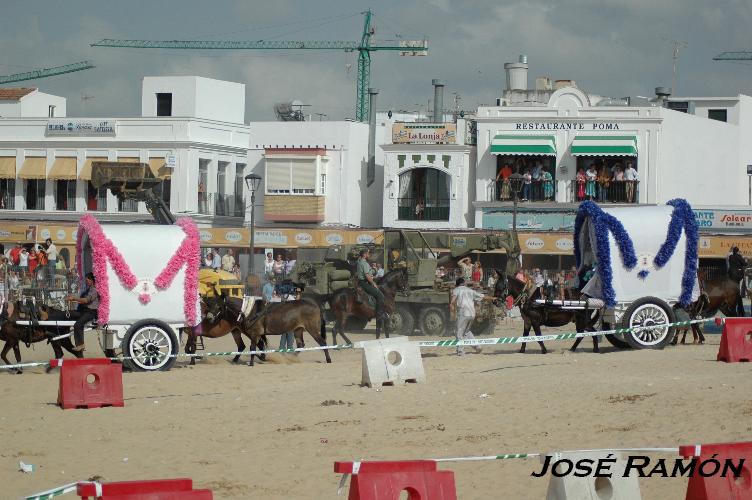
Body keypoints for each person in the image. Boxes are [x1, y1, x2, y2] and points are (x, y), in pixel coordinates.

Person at [449, 277, 485, 356]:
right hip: (472, 313)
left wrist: (452, 312)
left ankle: (460, 351)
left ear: (457, 284)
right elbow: (482, 297)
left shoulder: (456, 290)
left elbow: (452, 302)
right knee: (466, 332)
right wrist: (493, 298)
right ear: (464, 283)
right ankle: (477, 346)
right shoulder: (470, 290)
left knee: (459, 332)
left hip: (463, 313)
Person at [66, 272, 99, 351]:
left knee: (78, 325)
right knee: (70, 314)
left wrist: (74, 299)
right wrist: (72, 298)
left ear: (92, 280)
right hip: (84, 310)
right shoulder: (88, 289)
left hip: (91, 312)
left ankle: (81, 345)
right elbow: (81, 298)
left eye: (88, 280)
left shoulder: (94, 290)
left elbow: (86, 300)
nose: (86, 281)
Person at [356, 249, 386, 321]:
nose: (369, 255)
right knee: (380, 295)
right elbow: (367, 276)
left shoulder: (360, 262)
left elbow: (369, 272)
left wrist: (374, 270)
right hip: (364, 283)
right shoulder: (364, 263)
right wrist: (373, 283)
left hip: (361, 282)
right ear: (364, 255)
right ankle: (379, 314)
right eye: (368, 254)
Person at [728, 246, 747, 316]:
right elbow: (744, 264)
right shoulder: (739, 256)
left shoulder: (730, 257)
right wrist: (744, 260)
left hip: (731, 275)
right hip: (738, 276)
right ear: (738, 251)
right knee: (739, 289)